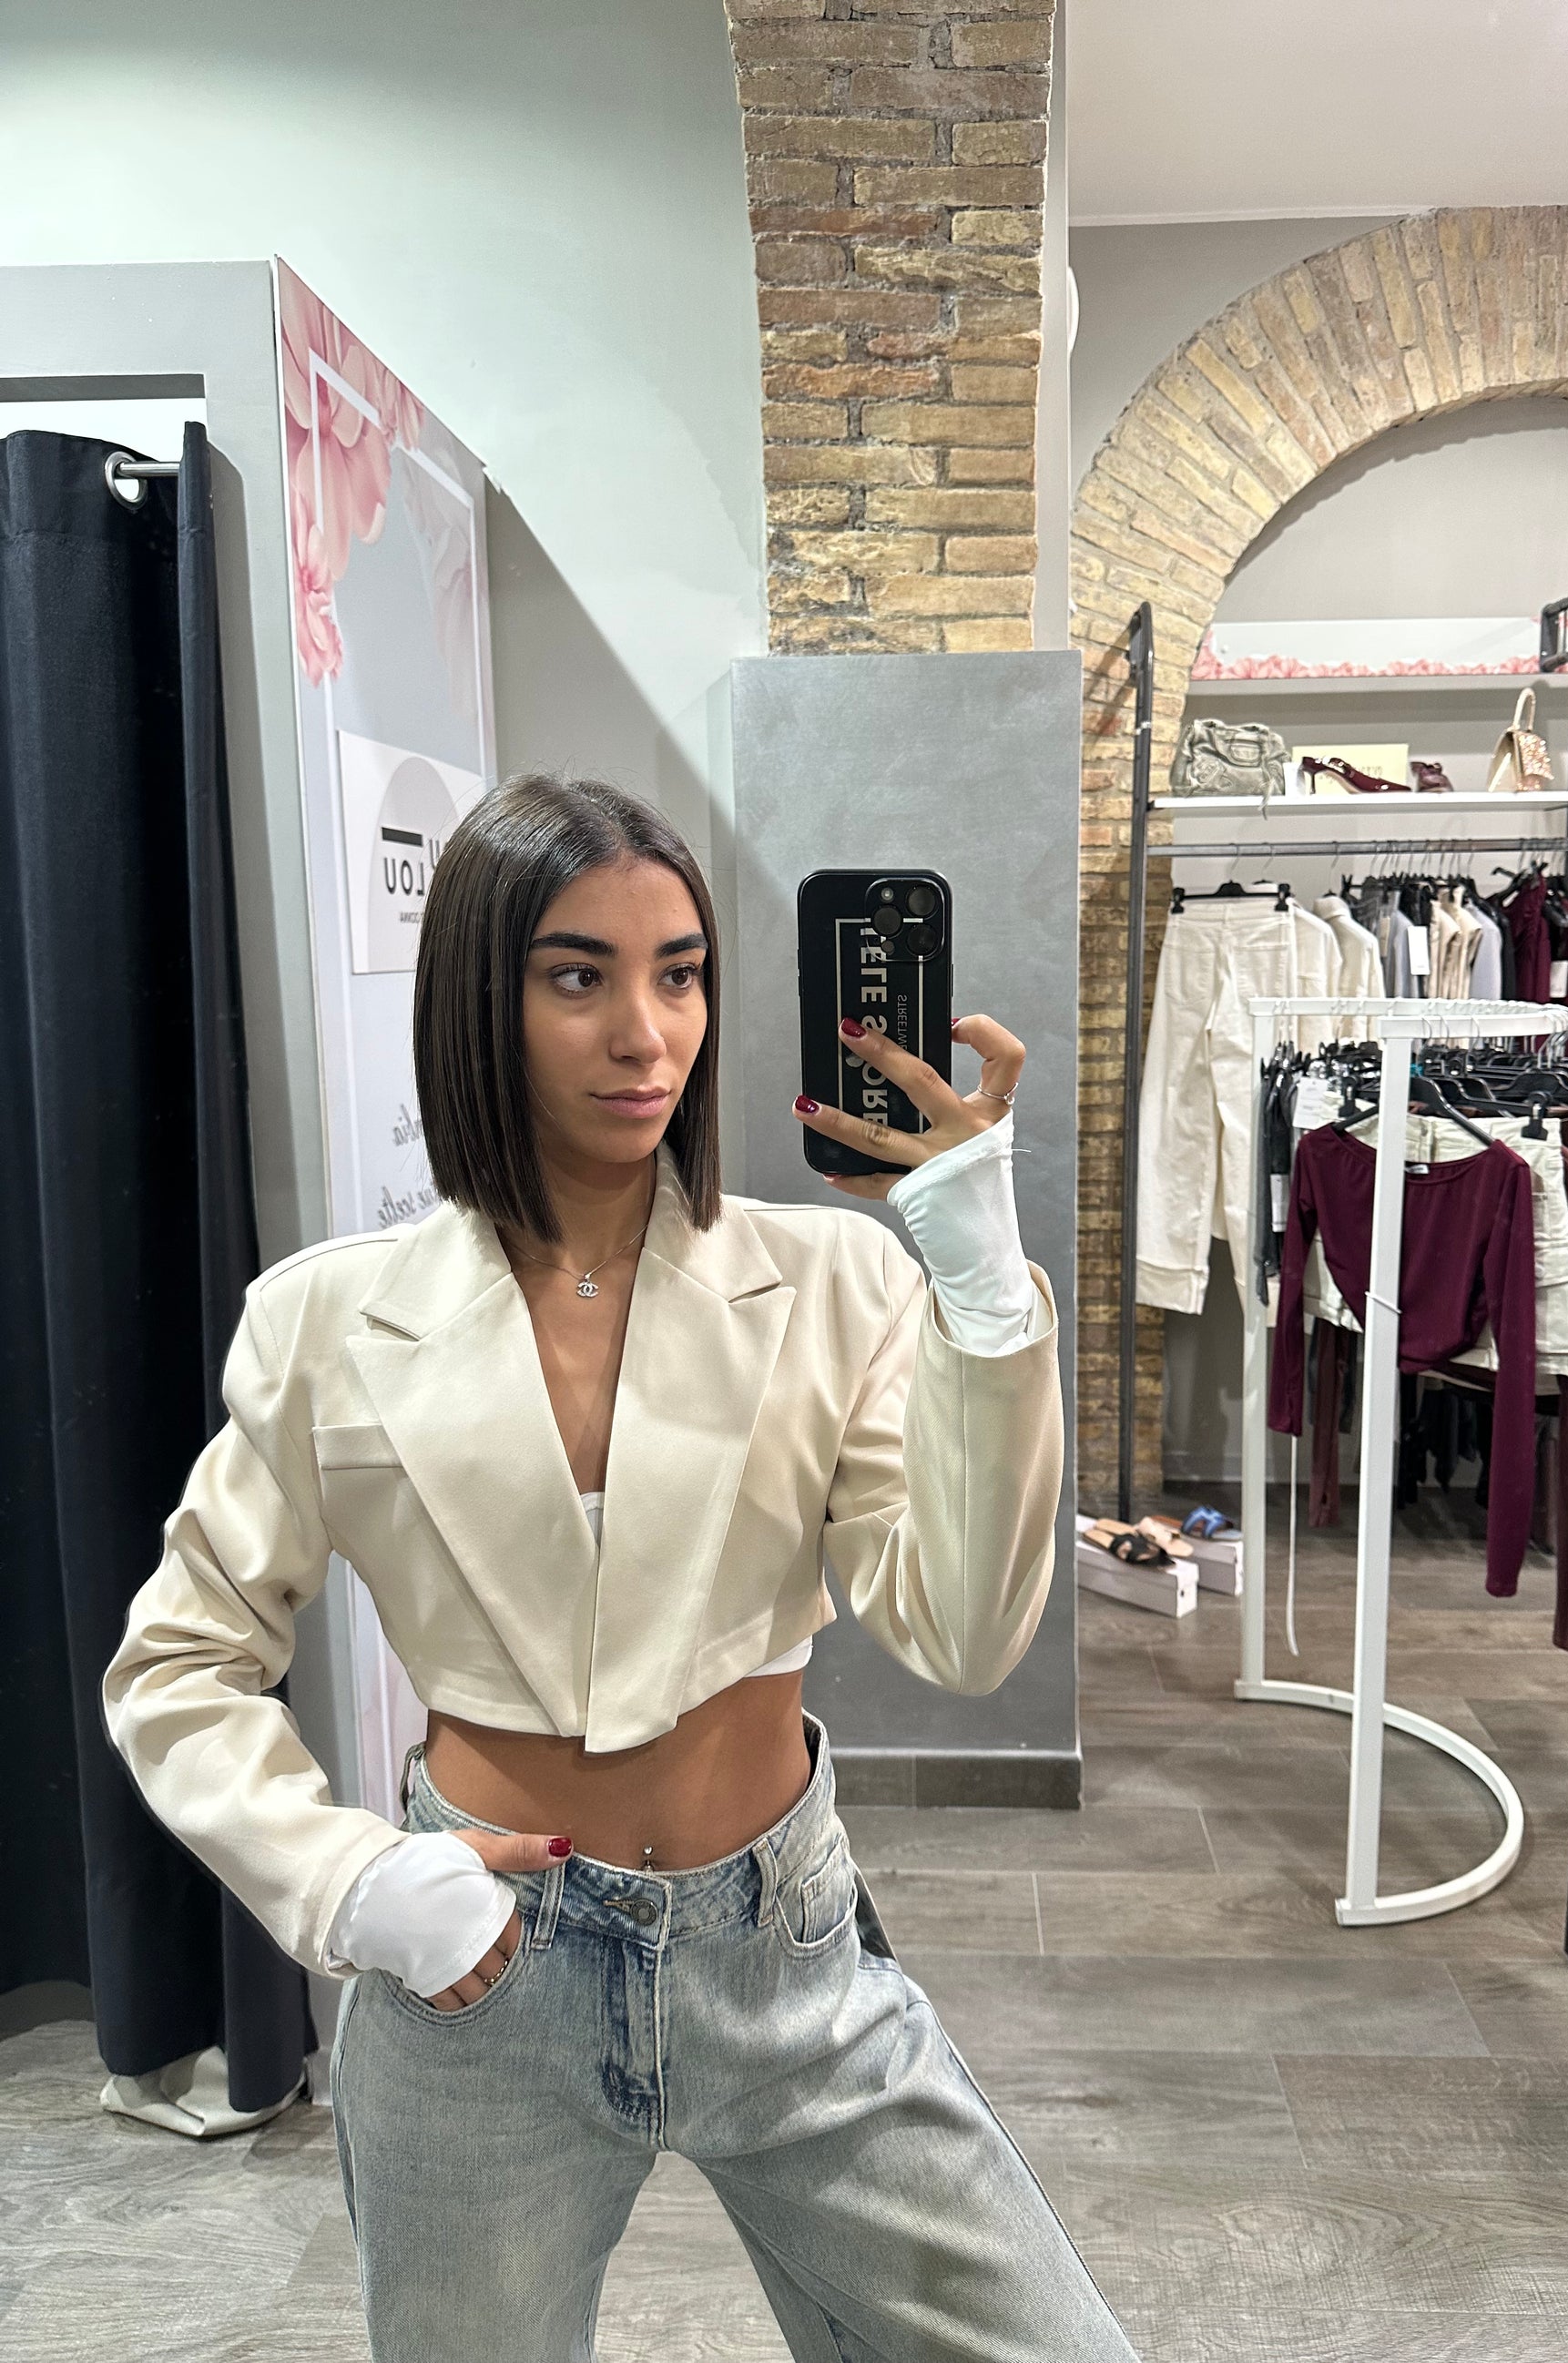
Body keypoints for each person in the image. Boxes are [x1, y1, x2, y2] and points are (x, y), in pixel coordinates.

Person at [104, 776, 1140, 2362]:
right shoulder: (327, 1321)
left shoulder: (831, 1280)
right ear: (482, 995)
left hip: (782, 1956)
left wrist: (984, 1292)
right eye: (577, 976)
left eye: (681, 974)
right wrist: (349, 1881)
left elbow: (962, 1631)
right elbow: (180, 1661)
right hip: (481, 1970)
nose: (647, 1035)